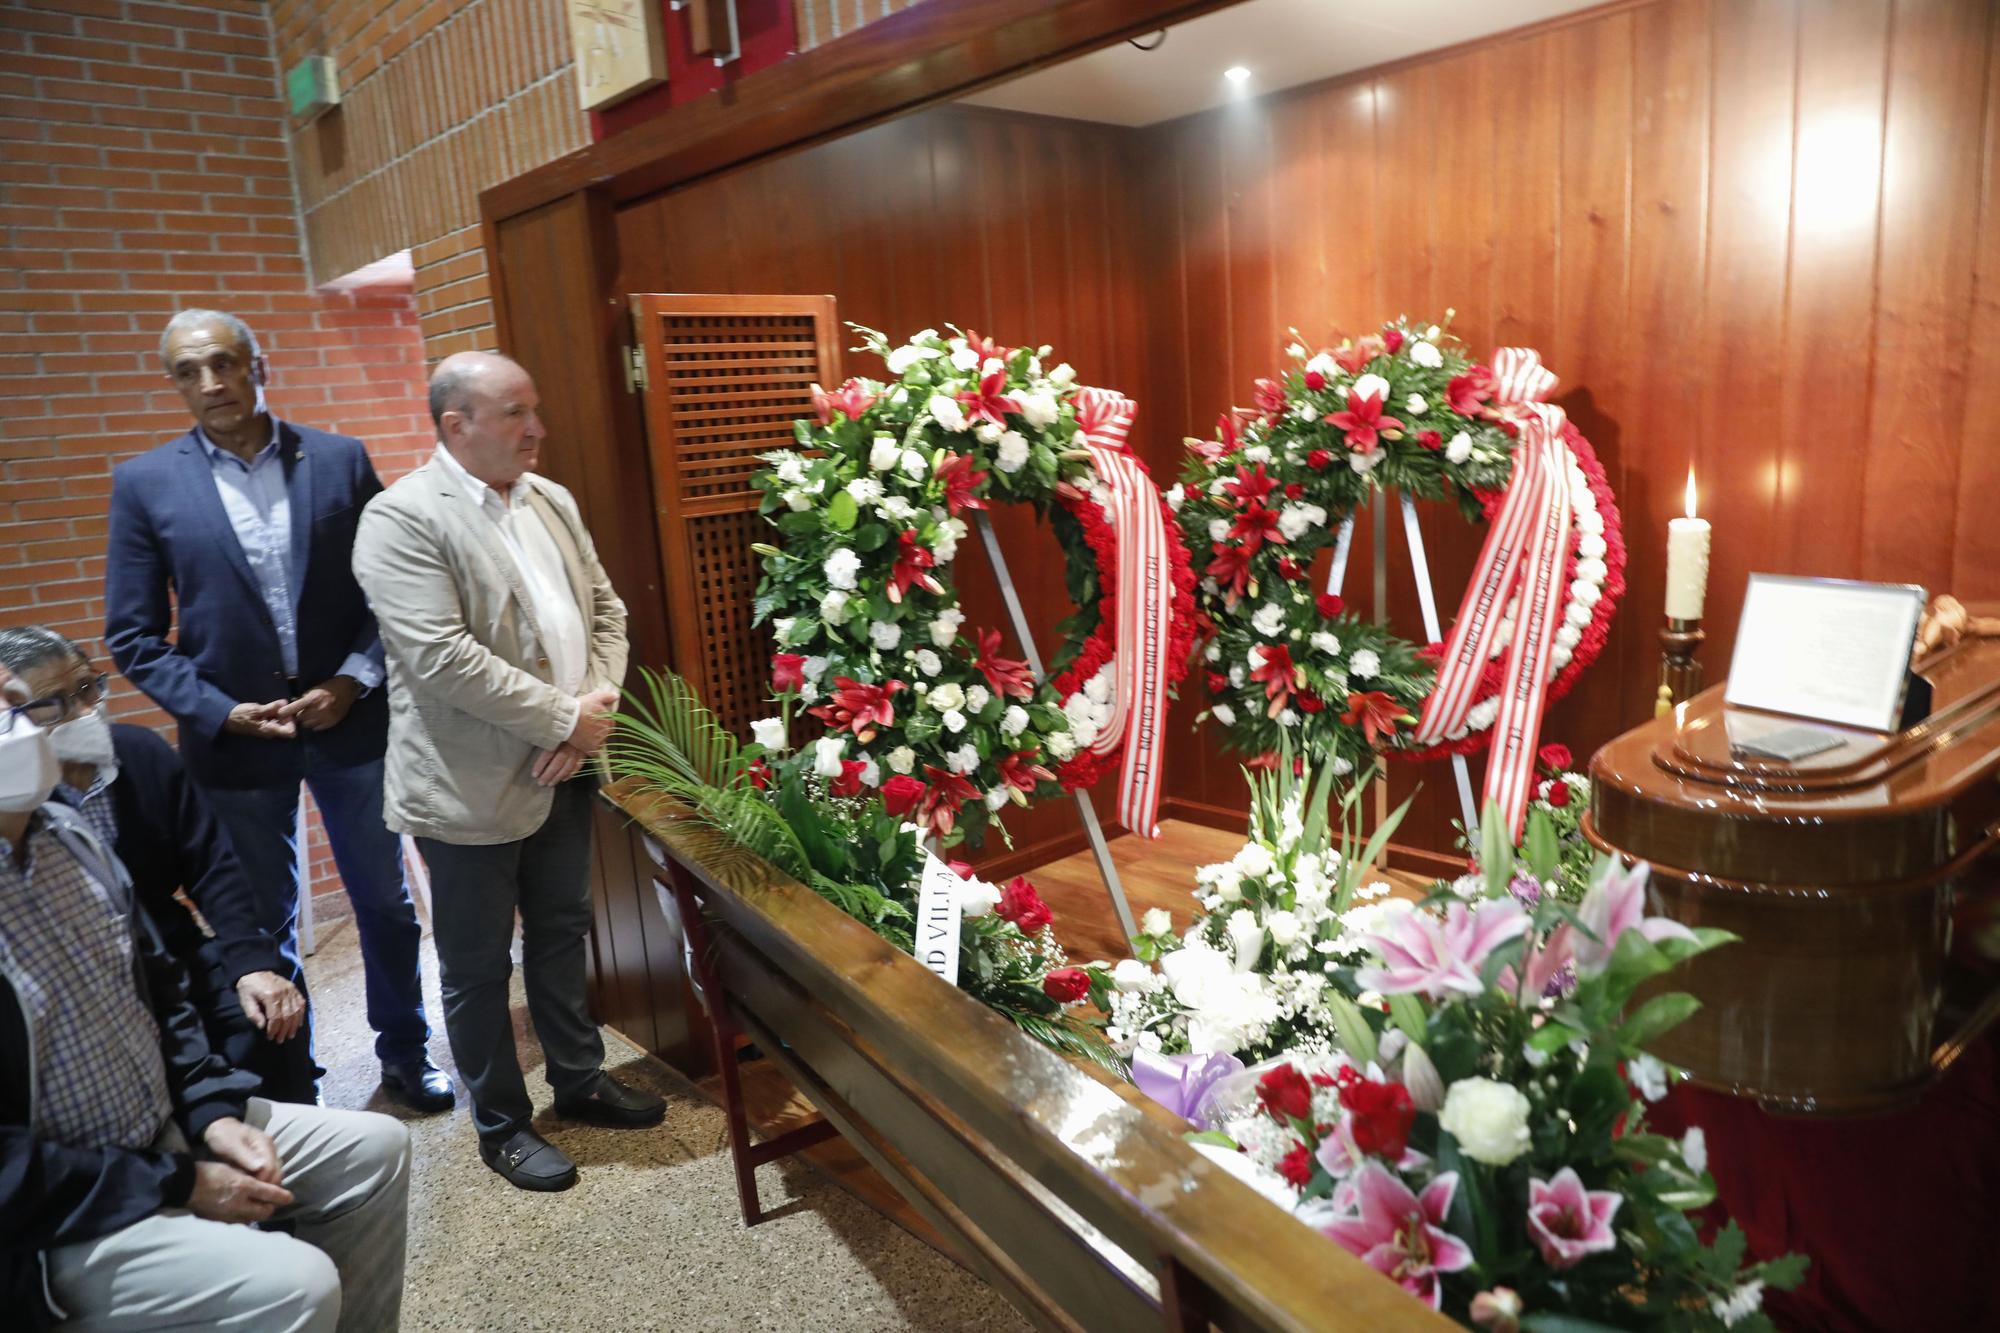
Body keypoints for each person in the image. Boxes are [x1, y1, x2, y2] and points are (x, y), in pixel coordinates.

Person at [104, 309, 449, 1113]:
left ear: (261, 363)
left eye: (224, 363)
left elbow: (388, 590)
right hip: (235, 743)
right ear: (175, 384)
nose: (211, 383)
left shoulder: (337, 459)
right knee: (260, 921)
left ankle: (407, 1050)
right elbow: (134, 635)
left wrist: (354, 680)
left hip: (352, 724)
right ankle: (296, 1083)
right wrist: (221, 711)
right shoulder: (146, 483)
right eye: (188, 371)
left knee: (387, 902)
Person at [0, 660, 412, 1332]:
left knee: (375, 1148)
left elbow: (159, 988)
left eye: (17, 705)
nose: (17, 729)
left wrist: (210, 1113)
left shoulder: (67, 832)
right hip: (60, 1211)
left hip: (164, 1130)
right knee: (294, 1285)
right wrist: (181, 1183)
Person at [352, 350, 662, 1191]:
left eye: (536, 409)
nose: (538, 428)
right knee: (478, 962)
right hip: (466, 785)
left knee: (563, 931)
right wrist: (565, 718)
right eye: (517, 412)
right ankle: (502, 1123)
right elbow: (441, 657)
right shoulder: (401, 517)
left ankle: (580, 1077)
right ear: (457, 425)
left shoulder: (548, 497)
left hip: (568, 762)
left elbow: (606, 609)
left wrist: (589, 713)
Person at [0, 624, 318, 1103]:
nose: (85, 710)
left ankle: (300, 1132)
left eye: (88, 687)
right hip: (82, 977)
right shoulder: (17, 799)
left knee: (271, 1012)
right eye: (55, 701)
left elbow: (213, 865)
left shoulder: (139, 753)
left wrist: (251, 964)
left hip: (171, 947)